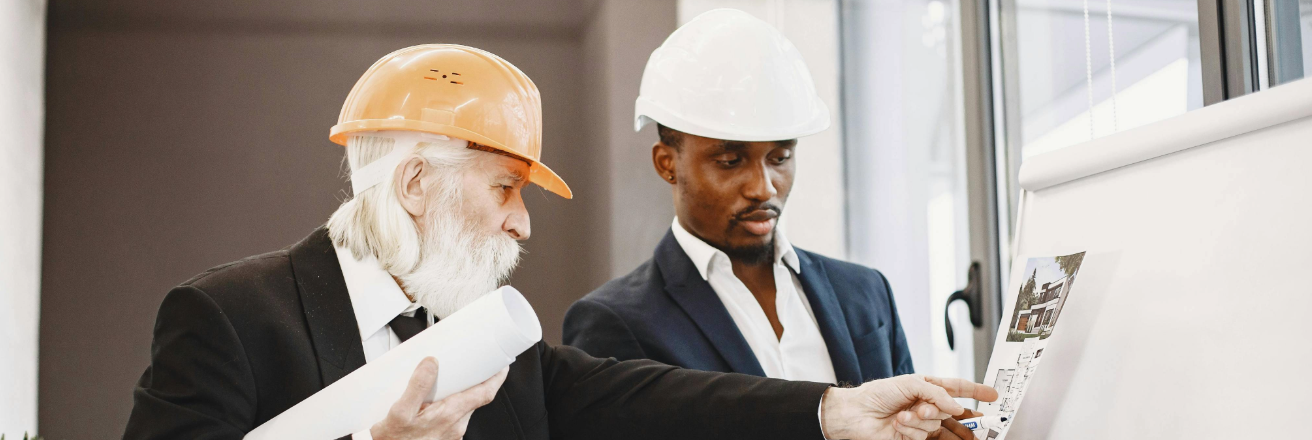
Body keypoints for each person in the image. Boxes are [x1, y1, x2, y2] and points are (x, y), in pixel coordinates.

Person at [122, 44, 995, 440]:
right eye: (505, 188)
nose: (522, 220)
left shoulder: (484, 340)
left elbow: (651, 401)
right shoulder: (226, 320)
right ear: (416, 184)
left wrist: (832, 412)